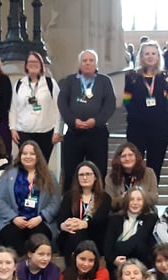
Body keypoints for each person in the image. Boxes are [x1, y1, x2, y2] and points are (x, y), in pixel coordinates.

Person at [58, 49, 116, 192]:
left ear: (96, 64)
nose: (88, 63)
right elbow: (62, 103)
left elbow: (110, 105)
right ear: (79, 64)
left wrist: (96, 121)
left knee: (98, 171)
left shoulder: (104, 81)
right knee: (71, 171)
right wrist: (72, 121)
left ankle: (97, 204)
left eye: (91, 60)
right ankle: (69, 204)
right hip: (74, 133)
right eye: (85, 60)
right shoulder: (70, 81)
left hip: (97, 133)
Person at [0, 141, 61, 256]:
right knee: (12, 238)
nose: (28, 156)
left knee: (38, 241)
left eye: (32, 153)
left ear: (38, 156)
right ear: (20, 156)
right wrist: (14, 218)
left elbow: (55, 202)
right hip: (12, 221)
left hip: (40, 221)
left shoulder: (49, 176)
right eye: (24, 153)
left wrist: (40, 218)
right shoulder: (8, 174)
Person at [123, 40, 168, 180]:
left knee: (154, 168)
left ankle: (150, 199)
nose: (150, 56)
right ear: (141, 57)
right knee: (134, 167)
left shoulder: (166, 78)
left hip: (159, 129)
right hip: (137, 129)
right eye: (147, 54)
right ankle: (133, 199)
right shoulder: (132, 77)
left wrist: (157, 115)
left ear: (158, 56)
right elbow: (126, 101)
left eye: (153, 53)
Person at [9, 51, 62, 162]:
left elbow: (58, 109)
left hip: (46, 132)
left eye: (36, 62)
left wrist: (57, 131)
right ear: (26, 65)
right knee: (26, 164)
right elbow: (13, 108)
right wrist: (12, 128)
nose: (33, 64)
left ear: (41, 65)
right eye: (30, 62)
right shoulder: (19, 84)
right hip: (23, 132)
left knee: (42, 166)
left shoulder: (50, 83)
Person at [57, 161, 111, 262]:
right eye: (81, 175)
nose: (84, 178)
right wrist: (64, 225)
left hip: (94, 236)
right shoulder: (69, 196)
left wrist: (84, 224)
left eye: (88, 174)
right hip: (71, 235)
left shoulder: (104, 197)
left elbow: (101, 220)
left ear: (95, 177)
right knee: (75, 234)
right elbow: (61, 218)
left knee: (80, 233)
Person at [104, 186, 158, 280]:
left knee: (140, 245)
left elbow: (147, 247)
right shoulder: (114, 219)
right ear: (127, 201)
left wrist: (119, 246)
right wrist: (113, 260)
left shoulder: (151, 219)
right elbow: (107, 247)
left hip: (142, 266)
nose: (135, 203)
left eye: (139, 199)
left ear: (144, 202)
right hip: (118, 267)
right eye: (132, 199)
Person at [104, 142, 158, 211]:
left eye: (130, 155)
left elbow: (154, 198)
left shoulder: (149, 173)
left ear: (136, 156)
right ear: (118, 159)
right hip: (120, 214)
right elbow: (109, 202)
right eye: (123, 156)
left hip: (144, 213)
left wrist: (138, 196)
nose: (127, 158)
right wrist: (123, 198)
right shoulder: (110, 177)